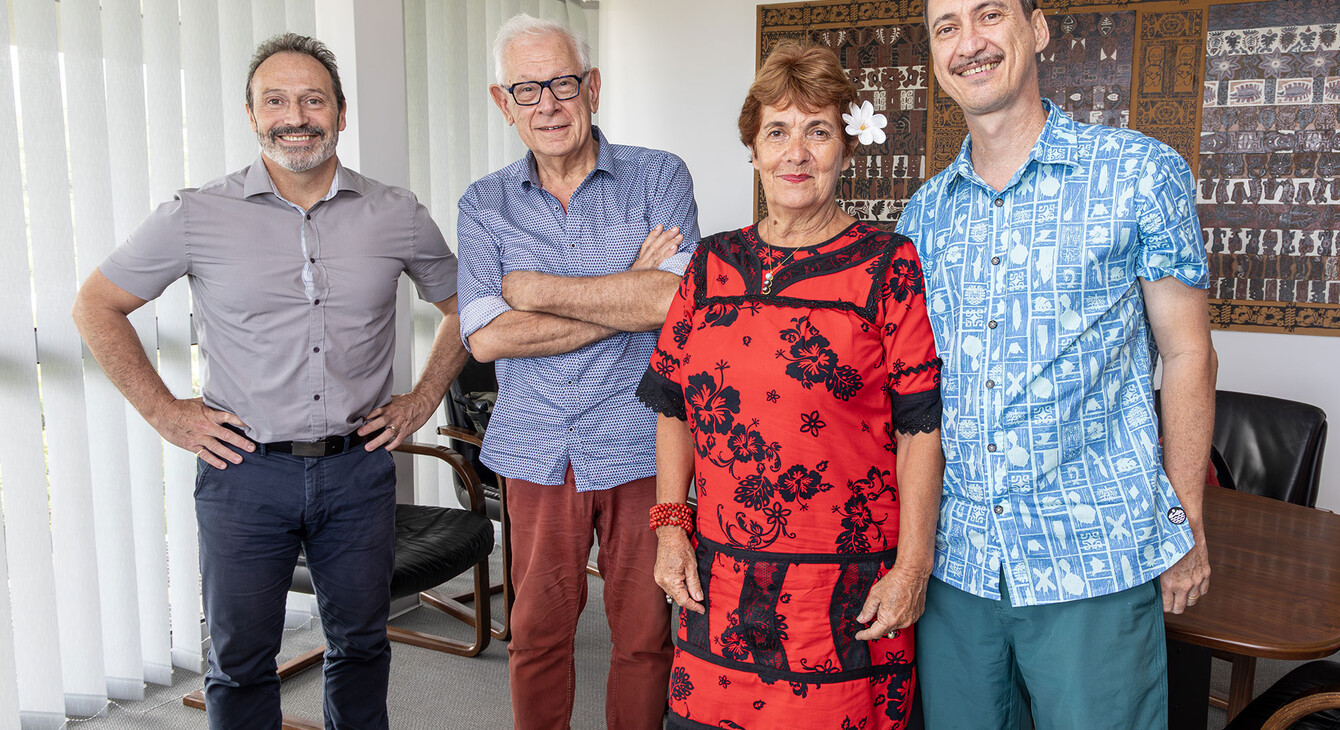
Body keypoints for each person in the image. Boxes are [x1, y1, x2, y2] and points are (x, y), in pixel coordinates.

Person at [71, 33, 465, 730]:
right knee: (241, 662)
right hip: (244, 475)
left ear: (341, 114)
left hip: (358, 469)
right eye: (275, 100)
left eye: (313, 99)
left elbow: (465, 308)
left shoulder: (396, 213)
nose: (296, 115)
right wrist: (166, 413)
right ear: (251, 115)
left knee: (362, 646)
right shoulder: (195, 215)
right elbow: (96, 305)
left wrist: (425, 395)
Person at [895, 0, 1218, 726]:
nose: (969, 43)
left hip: (1093, 557)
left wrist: (1184, 513)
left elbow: (1188, 350)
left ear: (1036, 29)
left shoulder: (1138, 174)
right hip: (959, 567)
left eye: (988, 15)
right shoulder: (922, 216)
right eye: (947, 27)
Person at [638, 40, 944, 730]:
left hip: (846, 597)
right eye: (777, 131)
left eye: (818, 131)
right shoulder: (711, 265)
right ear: (752, 148)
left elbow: (921, 429)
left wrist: (914, 566)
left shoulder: (887, 265)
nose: (795, 153)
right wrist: (669, 530)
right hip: (719, 586)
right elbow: (674, 408)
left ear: (844, 148)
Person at [455, 13, 700, 730]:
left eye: (562, 83)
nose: (548, 105)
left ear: (591, 86)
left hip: (640, 447)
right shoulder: (483, 203)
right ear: (503, 103)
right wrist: (626, 286)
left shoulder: (659, 175)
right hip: (535, 453)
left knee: (647, 638)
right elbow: (489, 340)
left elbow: (669, 304)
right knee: (535, 636)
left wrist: (531, 287)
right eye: (526, 91)